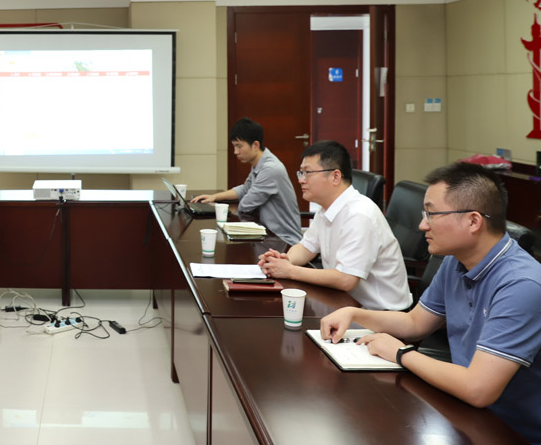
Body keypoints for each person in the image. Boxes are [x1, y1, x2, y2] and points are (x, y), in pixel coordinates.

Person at [323, 163, 541, 442]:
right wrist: (354, 313)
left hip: (509, 431)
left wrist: (401, 354)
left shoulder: (522, 284)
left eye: (432, 214)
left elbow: (478, 389)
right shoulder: (455, 260)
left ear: (473, 221)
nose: (422, 225)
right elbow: (415, 323)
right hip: (463, 412)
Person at [258, 140, 411, 310]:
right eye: (301, 173)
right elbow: (306, 248)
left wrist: (290, 271)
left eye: (308, 173)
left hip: (381, 314)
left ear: (335, 177)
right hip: (345, 303)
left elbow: (346, 280)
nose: (301, 180)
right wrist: (283, 261)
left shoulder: (359, 214)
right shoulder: (326, 208)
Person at [192, 117, 301, 244]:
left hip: (283, 240)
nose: (235, 152)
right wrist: (214, 197)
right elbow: (245, 189)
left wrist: (218, 208)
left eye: (239, 146)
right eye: (234, 146)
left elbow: (245, 205)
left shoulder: (270, 169)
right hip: (267, 233)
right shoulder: (260, 162)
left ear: (255, 145)